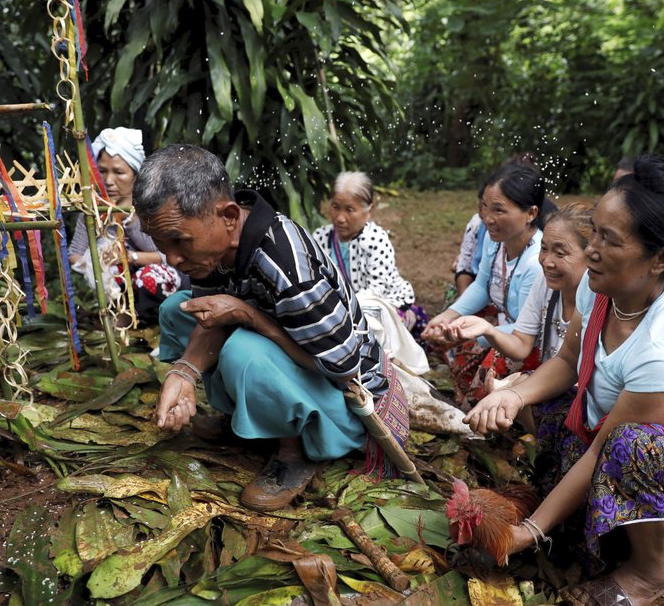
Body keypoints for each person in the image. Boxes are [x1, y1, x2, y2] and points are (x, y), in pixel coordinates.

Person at [464, 154, 664, 605]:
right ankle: (592, 523)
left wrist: (528, 531)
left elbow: (603, 449)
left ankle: (651, 573)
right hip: (609, 444)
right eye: (596, 232)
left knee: (632, 446)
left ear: (662, 258)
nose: (590, 249)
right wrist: (514, 396)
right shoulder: (599, 284)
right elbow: (568, 359)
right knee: (538, 401)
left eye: (608, 238)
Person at [134, 145, 409, 512]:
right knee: (177, 309)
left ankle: (293, 452)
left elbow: (344, 368)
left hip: (344, 403)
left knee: (242, 351)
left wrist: (249, 316)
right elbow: (210, 316)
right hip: (299, 371)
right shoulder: (214, 249)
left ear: (229, 216)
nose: (172, 259)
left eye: (180, 241)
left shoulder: (284, 267)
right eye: (161, 245)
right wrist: (183, 374)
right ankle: (243, 418)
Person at [443, 203, 593, 408]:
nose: (547, 261)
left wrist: (518, 386)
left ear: (592, 255)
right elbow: (521, 343)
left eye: (560, 253)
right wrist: (488, 330)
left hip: (584, 396)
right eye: (544, 249)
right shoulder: (545, 282)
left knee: (515, 390)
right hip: (550, 380)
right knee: (500, 365)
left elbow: (574, 372)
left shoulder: (600, 301)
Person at [422, 162, 549, 406]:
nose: (488, 219)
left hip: (529, 342)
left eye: (499, 210)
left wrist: (472, 333)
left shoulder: (537, 264)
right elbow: (481, 286)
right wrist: (448, 316)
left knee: (484, 371)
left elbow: (526, 333)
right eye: (485, 208)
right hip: (503, 326)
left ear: (531, 213)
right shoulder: (496, 241)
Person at [313, 171, 429, 372]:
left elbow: (377, 290)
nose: (340, 218)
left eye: (350, 209)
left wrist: (344, 311)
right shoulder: (320, 238)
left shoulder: (375, 239)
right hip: (342, 308)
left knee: (369, 327)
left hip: (381, 303)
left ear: (369, 210)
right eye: (335, 207)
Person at [68, 127, 184, 322]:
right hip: (118, 284)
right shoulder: (92, 212)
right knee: (110, 270)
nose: (109, 181)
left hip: (159, 281)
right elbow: (74, 253)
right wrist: (97, 261)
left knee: (150, 276)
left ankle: (159, 322)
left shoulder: (150, 209)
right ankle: (121, 323)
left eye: (119, 172)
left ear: (135, 176)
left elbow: (168, 256)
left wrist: (129, 255)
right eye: (102, 171)